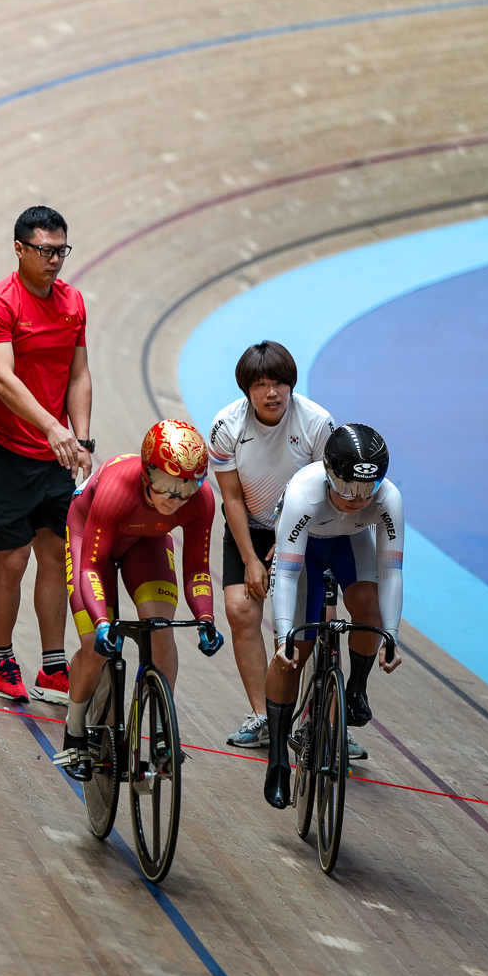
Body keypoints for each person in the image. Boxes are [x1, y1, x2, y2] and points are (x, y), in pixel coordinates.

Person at [0, 205, 93, 706]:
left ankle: (52, 667)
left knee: (57, 556)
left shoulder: (73, 303)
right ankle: (1, 659)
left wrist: (80, 438)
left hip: (56, 450)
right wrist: (52, 428)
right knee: (13, 559)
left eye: (61, 250)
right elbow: (1, 379)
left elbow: (79, 373)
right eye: (44, 250)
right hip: (3, 450)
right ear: (19, 249)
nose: (55, 260)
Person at [53, 422, 223, 780]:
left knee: (161, 630)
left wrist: (206, 618)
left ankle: (163, 732)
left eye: (186, 488)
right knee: (95, 647)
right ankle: (75, 729)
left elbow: (197, 568)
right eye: (164, 487)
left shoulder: (202, 501)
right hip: (91, 539)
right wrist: (101, 623)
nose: (174, 499)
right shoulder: (118, 487)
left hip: (146, 542)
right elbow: (92, 567)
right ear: (147, 473)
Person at [259, 425, 405, 808]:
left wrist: (391, 635)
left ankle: (355, 687)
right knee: (293, 655)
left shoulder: (388, 499)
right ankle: (277, 758)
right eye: (348, 489)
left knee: (369, 610)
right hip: (304, 552)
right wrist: (285, 635)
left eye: (367, 490)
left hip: (348, 544)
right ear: (329, 474)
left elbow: (391, 571)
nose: (358, 499)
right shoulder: (304, 493)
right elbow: (287, 573)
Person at [207, 341, 337, 750]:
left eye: (280, 383)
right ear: (246, 389)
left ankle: (326, 718)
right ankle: (263, 715)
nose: (271, 393)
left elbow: (329, 494)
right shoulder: (226, 427)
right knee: (241, 609)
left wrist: (289, 545)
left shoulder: (317, 423)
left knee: (319, 621)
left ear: (291, 385)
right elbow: (231, 498)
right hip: (252, 526)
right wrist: (250, 558)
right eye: (261, 384)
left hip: (310, 527)